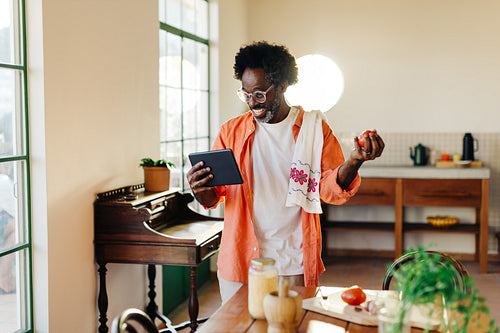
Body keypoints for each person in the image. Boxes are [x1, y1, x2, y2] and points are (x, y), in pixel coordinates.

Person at [186, 41, 384, 303]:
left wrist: (354, 162)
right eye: (245, 94)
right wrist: (200, 190)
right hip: (241, 264)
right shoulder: (229, 133)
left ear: (282, 85)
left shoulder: (313, 129)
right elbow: (213, 199)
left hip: (294, 264)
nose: (252, 103)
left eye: (259, 94)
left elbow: (329, 189)